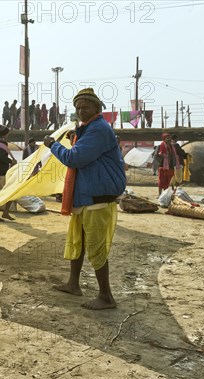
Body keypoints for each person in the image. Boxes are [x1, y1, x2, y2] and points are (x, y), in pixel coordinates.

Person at [43, 88, 126, 310]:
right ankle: (73, 283)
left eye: (85, 107)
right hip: (86, 195)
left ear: (97, 109)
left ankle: (106, 297)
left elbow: (75, 158)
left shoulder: (98, 129)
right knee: (77, 240)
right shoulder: (88, 129)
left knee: (96, 246)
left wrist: (54, 146)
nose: (81, 111)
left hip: (97, 196)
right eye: (78, 107)